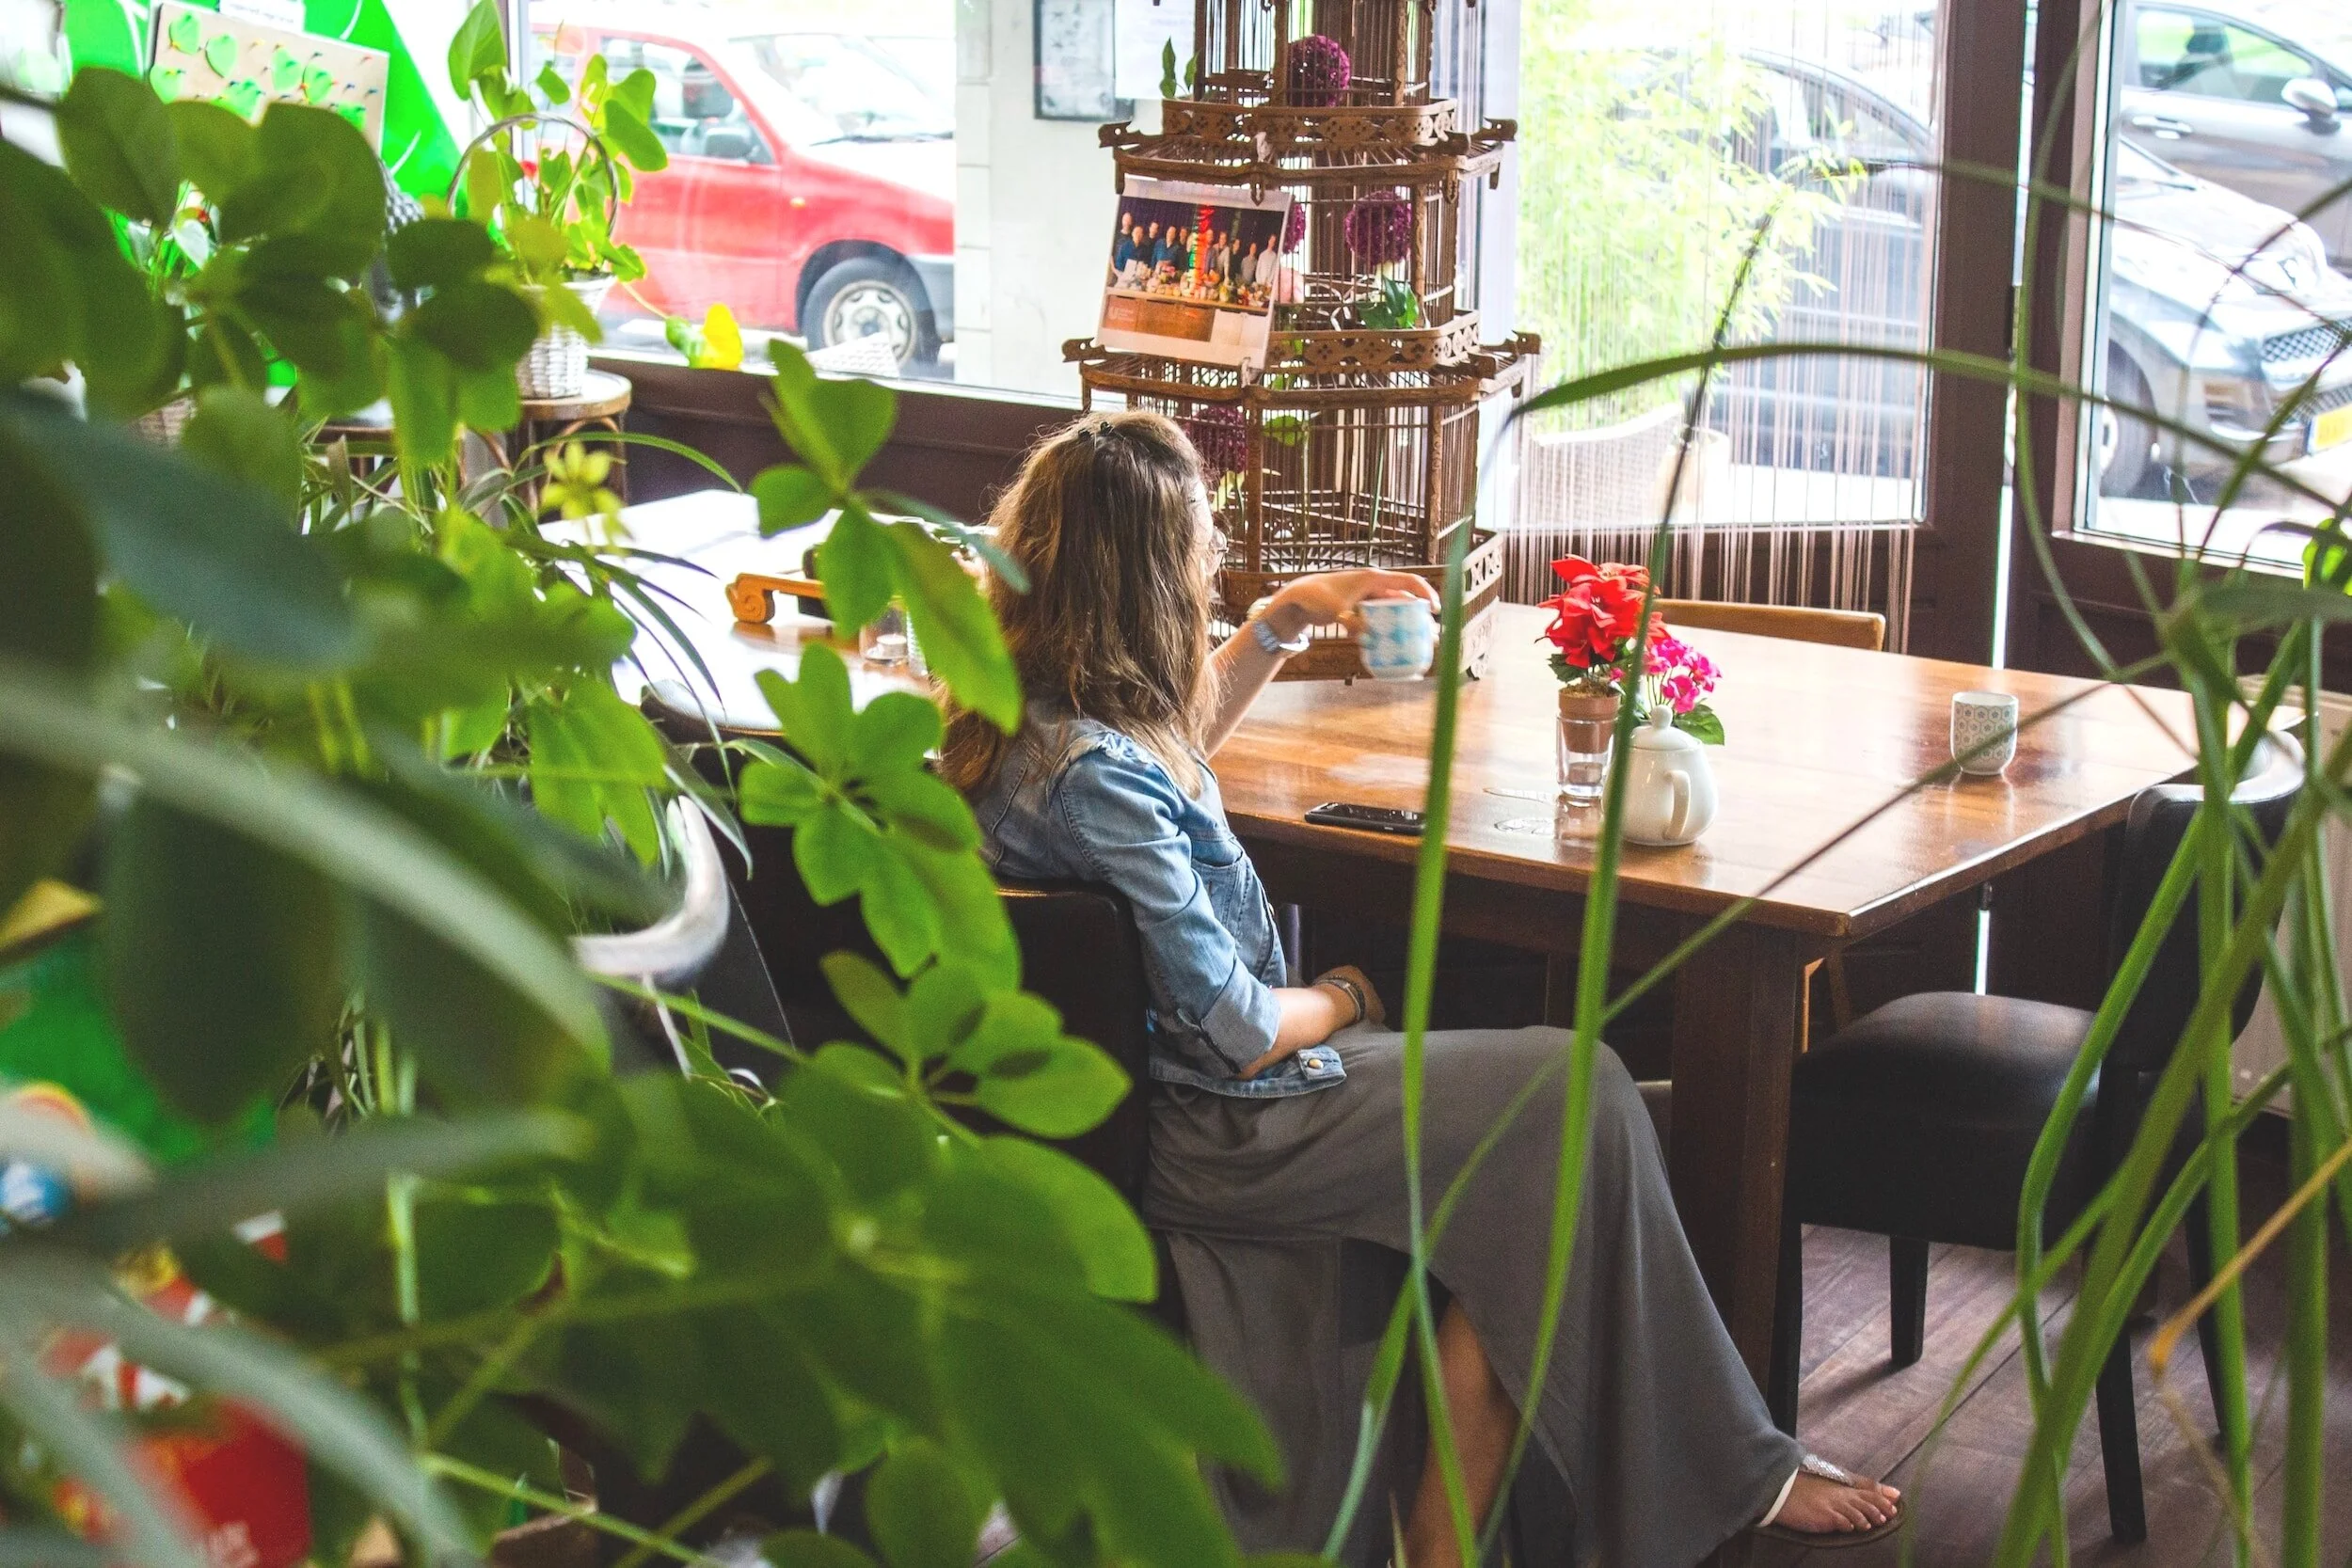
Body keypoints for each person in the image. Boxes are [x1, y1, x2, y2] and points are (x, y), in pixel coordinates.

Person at [944, 413, 1905, 1568]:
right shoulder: (1100, 782)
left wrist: (1280, 619)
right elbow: (1242, 1026)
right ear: (1139, 575)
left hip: (1183, 1104)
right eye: (1199, 543)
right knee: (1577, 1090)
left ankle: (1479, 1535)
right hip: (1231, 1122)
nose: (1209, 561)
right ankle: (1713, 1475)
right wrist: (1351, 995)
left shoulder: (1030, 723)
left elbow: (1165, 747)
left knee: (1566, 1137)